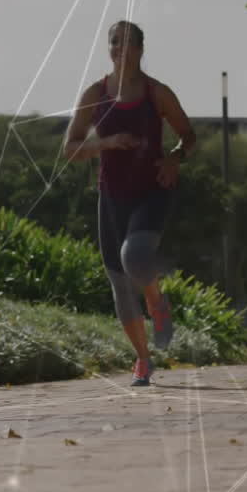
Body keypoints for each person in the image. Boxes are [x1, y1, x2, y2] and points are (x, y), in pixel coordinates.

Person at [62, 20, 196, 386]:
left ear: (140, 49)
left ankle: (156, 302)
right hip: (112, 195)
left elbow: (188, 135)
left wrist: (174, 158)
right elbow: (70, 149)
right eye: (114, 42)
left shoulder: (157, 93)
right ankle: (142, 359)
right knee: (119, 283)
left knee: (134, 257)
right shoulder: (95, 93)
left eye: (127, 42)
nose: (120, 48)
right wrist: (106, 143)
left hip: (152, 189)